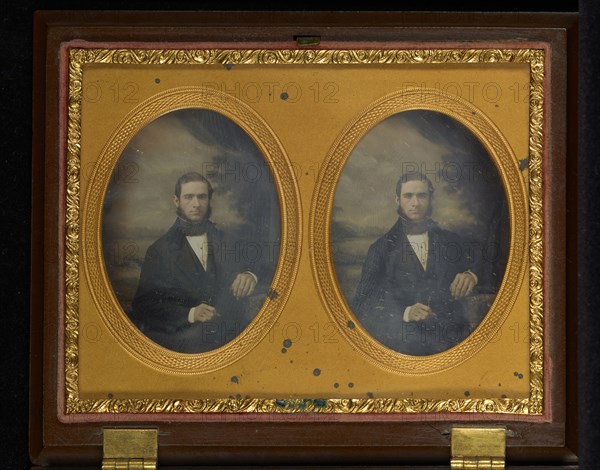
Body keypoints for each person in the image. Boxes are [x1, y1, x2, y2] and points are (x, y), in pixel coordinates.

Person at [351, 172, 482, 355]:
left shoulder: (451, 241)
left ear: (430, 199)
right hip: (407, 346)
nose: (415, 203)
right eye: (408, 196)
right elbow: (363, 304)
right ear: (397, 200)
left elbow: (491, 264)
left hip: (456, 343)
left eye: (422, 196)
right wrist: (406, 313)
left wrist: (471, 275)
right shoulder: (380, 249)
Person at [132, 172, 258, 353]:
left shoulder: (227, 240)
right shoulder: (159, 250)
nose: (196, 204)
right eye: (189, 197)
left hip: (232, 335)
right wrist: (190, 314)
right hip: (185, 338)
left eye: (202, 197)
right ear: (177, 201)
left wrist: (250, 275)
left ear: (209, 200)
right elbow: (142, 305)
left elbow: (261, 264)